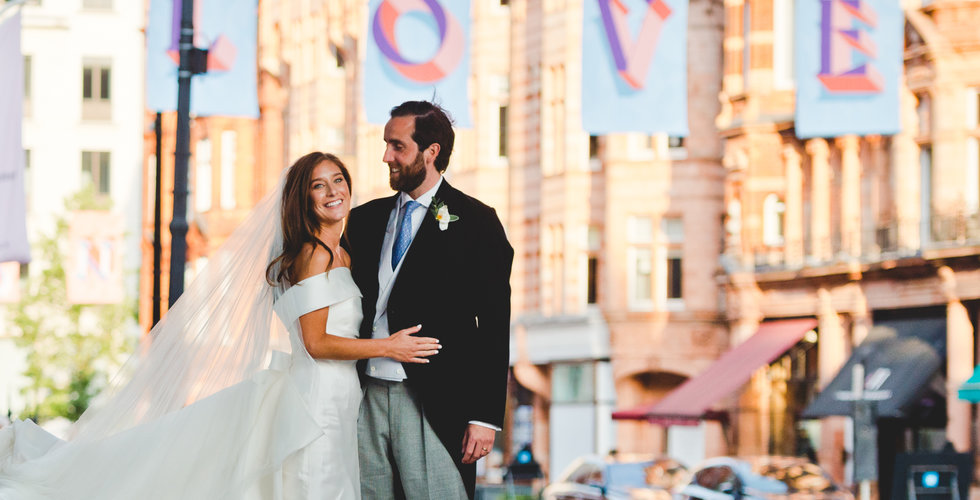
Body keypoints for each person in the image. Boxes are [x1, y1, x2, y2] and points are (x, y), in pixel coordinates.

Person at [0, 152, 439, 500]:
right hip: (316, 401)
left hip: (342, 399)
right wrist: (389, 348)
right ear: (302, 199)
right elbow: (315, 341)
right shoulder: (314, 255)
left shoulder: (342, 252)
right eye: (318, 186)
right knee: (316, 487)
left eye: (337, 180)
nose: (332, 192)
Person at [346, 101, 514, 499]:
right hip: (362, 394)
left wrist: (485, 417)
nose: (386, 156)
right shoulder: (363, 220)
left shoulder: (477, 222)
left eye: (397, 146)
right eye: (386, 145)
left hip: (435, 400)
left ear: (431, 151)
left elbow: (493, 325)